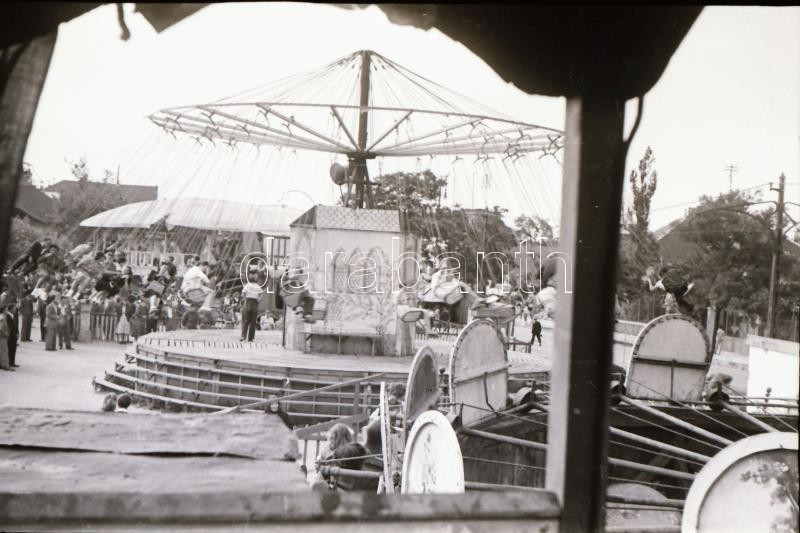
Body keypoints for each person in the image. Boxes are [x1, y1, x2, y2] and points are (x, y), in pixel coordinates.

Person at [240, 273, 261, 341]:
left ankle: (243, 336)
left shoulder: (247, 285)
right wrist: (258, 300)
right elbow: (260, 294)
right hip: (255, 302)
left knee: (245, 320)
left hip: (248, 301)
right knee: (253, 321)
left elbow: (243, 293)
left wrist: (244, 299)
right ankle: (251, 338)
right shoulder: (257, 286)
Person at [4, 301, 19, 367]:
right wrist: (15, 334)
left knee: (13, 349)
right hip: (11, 336)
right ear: (11, 309)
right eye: (14, 308)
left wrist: (17, 333)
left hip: (14, 335)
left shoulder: (12, 316)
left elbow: (15, 326)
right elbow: (10, 327)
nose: (15, 310)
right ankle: (9, 362)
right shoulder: (8, 317)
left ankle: (12, 362)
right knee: (10, 349)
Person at [0, 305, 11, 371]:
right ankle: (5, 366)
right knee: (4, 351)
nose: (7, 311)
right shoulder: (3, 318)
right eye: (6, 310)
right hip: (2, 336)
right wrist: (5, 334)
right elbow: (1, 328)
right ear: (3, 311)